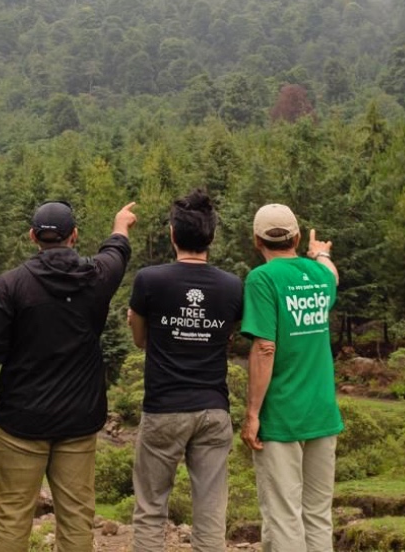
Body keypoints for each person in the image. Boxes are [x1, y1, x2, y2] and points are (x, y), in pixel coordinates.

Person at [0, 199, 137, 552]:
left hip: (21, 421)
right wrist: (120, 224)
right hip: (78, 423)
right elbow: (117, 253)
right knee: (77, 520)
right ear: (74, 236)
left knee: (13, 518)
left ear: (33, 236)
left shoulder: (12, 285)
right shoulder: (96, 277)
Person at [126, 190, 243, 552]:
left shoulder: (150, 279)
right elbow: (230, 333)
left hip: (164, 407)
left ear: (173, 234)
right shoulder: (231, 286)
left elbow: (139, 335)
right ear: (210, 237)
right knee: (210, 512)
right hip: (213, 408)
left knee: (150, 509)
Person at [239, 203, 342, 552]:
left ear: (257, 241)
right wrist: (321, 254)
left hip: (282, 414)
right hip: (323, 413)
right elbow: (332, 275)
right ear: (296, 237)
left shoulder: (262, 279)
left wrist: (252, 413)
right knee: (317, 514)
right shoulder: (319, 275)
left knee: (283, 516)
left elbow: (265, 348)